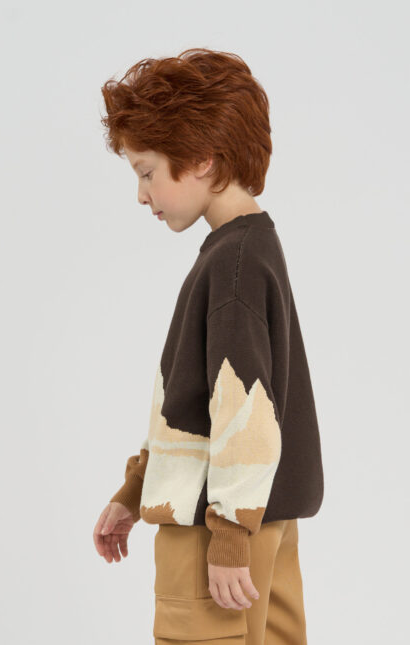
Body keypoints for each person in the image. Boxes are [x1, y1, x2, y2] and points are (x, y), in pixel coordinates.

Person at [93, 47, 324, 644]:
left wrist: (227, 534)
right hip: (264, 518)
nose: (141, 194)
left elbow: (245, 409)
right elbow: (200, 401)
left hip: (214, 526)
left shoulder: (233, 265)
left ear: (201, 158)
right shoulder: (253, 249)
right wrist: (135, 490)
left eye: (147, 172)